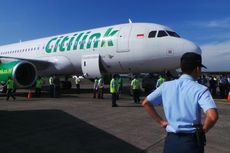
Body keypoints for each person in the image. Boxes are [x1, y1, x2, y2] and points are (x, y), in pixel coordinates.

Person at [142, 52, 218, 153]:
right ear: (197, 69)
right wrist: (203, 131)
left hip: (171, 141)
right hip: (191, 142)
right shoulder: (201, 89)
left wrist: (162, 122)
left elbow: (146, 103)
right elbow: (212, 117)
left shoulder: (166, 86)